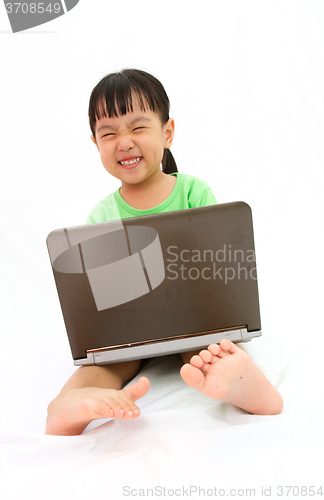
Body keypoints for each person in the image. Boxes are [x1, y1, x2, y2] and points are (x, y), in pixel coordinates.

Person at [45, 69, 283, 436]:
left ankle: (240, 383)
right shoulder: (101, 215)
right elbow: (101, 301)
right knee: (104, 367)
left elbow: (219, 271)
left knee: (211, 353)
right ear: (95, 144)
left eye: (137, 128)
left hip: (198, 323)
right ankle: (68, 405)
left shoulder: (193, 193)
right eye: (108, 133)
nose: (123, 142)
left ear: (167, 132)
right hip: (130, 336)